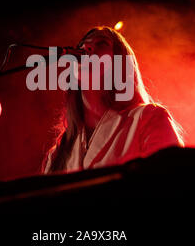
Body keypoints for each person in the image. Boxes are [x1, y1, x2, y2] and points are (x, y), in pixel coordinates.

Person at [41, 26, 184, 174]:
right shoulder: (57, 155)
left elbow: (171, 184)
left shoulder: (148, 119)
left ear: (120, 63)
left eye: (101, 44)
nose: (86, 47)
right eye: (82, 45)